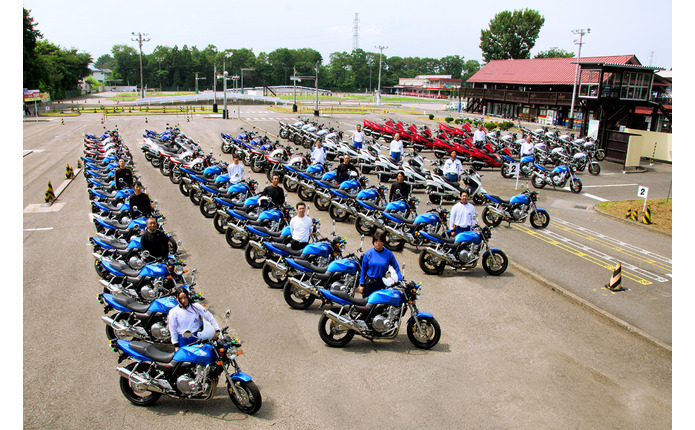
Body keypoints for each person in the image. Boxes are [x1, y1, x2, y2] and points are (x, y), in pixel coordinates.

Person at [359, 230, 403, 298]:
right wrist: (361, 284)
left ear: (383, 242)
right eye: (376, 241)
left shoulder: (388, 254)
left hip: (382, 284)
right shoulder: (369, 253)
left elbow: (396, 267)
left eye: (380, 241)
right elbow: (363, 269)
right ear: (373, 242)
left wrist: (400, 279)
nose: (378, 244)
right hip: (370, 284)